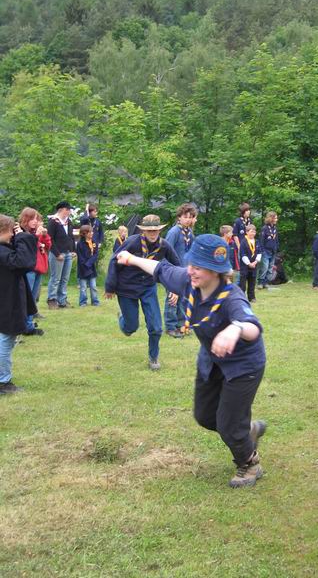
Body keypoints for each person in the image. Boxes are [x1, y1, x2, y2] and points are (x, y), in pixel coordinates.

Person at [116, 234, 267, 488]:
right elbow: (160, 268)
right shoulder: (188, 281)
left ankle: (250, 463)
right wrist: (131, 258)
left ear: (215, 271)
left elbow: (252, 326)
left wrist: (235, 329)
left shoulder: (231, 297)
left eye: (198, 267)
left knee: (229, 425)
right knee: (205, 416)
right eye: (191, 264)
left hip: (243, 366)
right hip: (212, 359)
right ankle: (246, 431)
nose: (191, 270)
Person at [105, 215, 180, 371]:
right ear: (143, 231)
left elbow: (177, 266)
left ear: (160, 230)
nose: (152, 233)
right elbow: (114, 260)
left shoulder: (164, 246)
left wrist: (176, 289)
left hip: (148, 288)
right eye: (149, 230)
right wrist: (110, 287)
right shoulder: (132, 242)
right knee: (131, 327)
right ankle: (123, 321)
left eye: (155, 230)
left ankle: (153, 358)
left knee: (156, 327)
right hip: (126, 288)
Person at [0, 215, 37, 395]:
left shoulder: (4, 249)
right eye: (10, 231)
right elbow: (23, 261)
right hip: (6, 302)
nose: (12, 235)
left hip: (6, 300)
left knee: (5, 340)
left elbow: (24, 261)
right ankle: (3, 382)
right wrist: (22, 237)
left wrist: (19, 238)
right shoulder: (2, 252)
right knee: (5, 341)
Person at [164, 203, 197, 338]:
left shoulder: (189, 233)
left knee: (183, 299)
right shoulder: (174, 232)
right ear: (179, 217)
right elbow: (165, 251)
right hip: (173, 270)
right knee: (172, 299)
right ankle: (170, 327)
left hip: (185, 271)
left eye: (190, 217)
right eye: (185, 217)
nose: (188, 220)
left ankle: (181, 324)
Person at [18, 207, 50, 335]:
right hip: (28, 269)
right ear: (26, 219)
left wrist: (44, 235)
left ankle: (29, 324)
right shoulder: (20, 232)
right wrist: (36, 236)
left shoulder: (33, 232)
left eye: (37, 219)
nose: (36, 221)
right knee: (26, 297)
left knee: (32, 298)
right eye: (33, 219)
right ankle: (26, 325)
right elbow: (26, 248)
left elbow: (48, 245)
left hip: (38, 268)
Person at [47, 201, 76, 309]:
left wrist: (73, 250)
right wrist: (57, 254)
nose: (69, 211)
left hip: (68, 253)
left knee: (65, 278)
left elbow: (71, 237)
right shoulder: (53, 222)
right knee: (56, 278)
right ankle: (52, 299)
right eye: (67, 209)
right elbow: (49, 239)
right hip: (57, 253)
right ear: (61, 210)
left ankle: (62, 300)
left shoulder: (69, 222)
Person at [76, 225, 100, 307]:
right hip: (82, 268)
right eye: (90, 232)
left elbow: (96, 254)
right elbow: (80, 257)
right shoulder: (80, 244)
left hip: (91, 268)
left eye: (92, 231)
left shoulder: (94, 242)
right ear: (85, 233)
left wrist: (89, 263)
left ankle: (95, 301)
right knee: (83, 287)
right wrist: (85, 265)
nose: (92, 233)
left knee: (93, 286)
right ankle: (83, 302)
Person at [239, 224, 261, 303]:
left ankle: (251, 297)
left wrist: (255, 262)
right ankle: (242, 298)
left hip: (254, 265)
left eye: (254, 232)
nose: (253, 233)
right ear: (247, 232)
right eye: (251, 232)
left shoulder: (257, 241)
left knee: (252, 282)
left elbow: (259, 253)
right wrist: (249, 264)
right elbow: (243, 254)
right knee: (243, 283)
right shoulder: (243, 242)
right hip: (245, 266)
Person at [258, 211, 279, 290]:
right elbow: (261, 241)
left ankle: (266, 282)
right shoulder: (265, 228)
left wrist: (277, 247)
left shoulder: (275, 228)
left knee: (270, 268)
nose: (276, 219)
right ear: (271, 218)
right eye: (275, 218)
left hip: (273, 251)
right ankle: (260, 282)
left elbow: (276, 239)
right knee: (264, 267)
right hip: (266, 251)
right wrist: (262, 251)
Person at [232, 202, 251, 283]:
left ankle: (244, 282)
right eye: (247, 210)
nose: (249, 211)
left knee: (247, 264)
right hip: (240, 247)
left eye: (249, 210)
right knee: (240, 265)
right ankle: (237, 283)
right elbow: (235, 235)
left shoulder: (249, 221)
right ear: (243, 211)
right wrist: (239, 246)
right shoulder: (238, 221)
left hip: (248, 246)